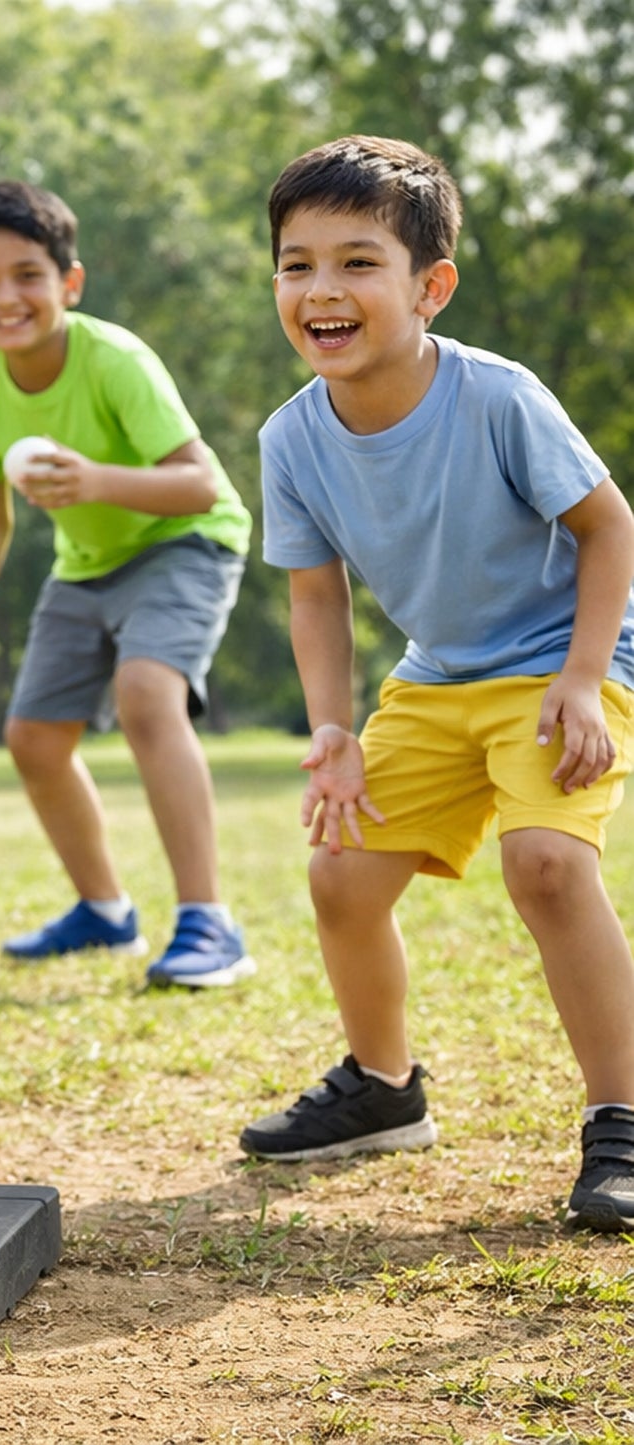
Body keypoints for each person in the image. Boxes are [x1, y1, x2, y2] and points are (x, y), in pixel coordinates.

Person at [242, 135, 634, 1232]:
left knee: (547, 864)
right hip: (437, 674)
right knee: (339, 879)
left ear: (429, 285)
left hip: (564, 661)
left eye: (357, 262)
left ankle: (621, 1121)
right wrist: (331, 727)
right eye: (294, 262)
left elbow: (608, 530)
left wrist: (581, 676)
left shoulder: (495, 396)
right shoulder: (290, 438)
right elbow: (313, 596)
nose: (320, 288)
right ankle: (381, 1085)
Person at [0, 179, 255, 987]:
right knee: (32, 739)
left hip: (186, 542)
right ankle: (104, 910)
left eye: (27, 274)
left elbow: (199, 486)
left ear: (67, 283)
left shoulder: (113, 357)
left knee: (148, 694)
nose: (5, 297)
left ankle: (208, 922)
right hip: (85, 565)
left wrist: (93, 480)